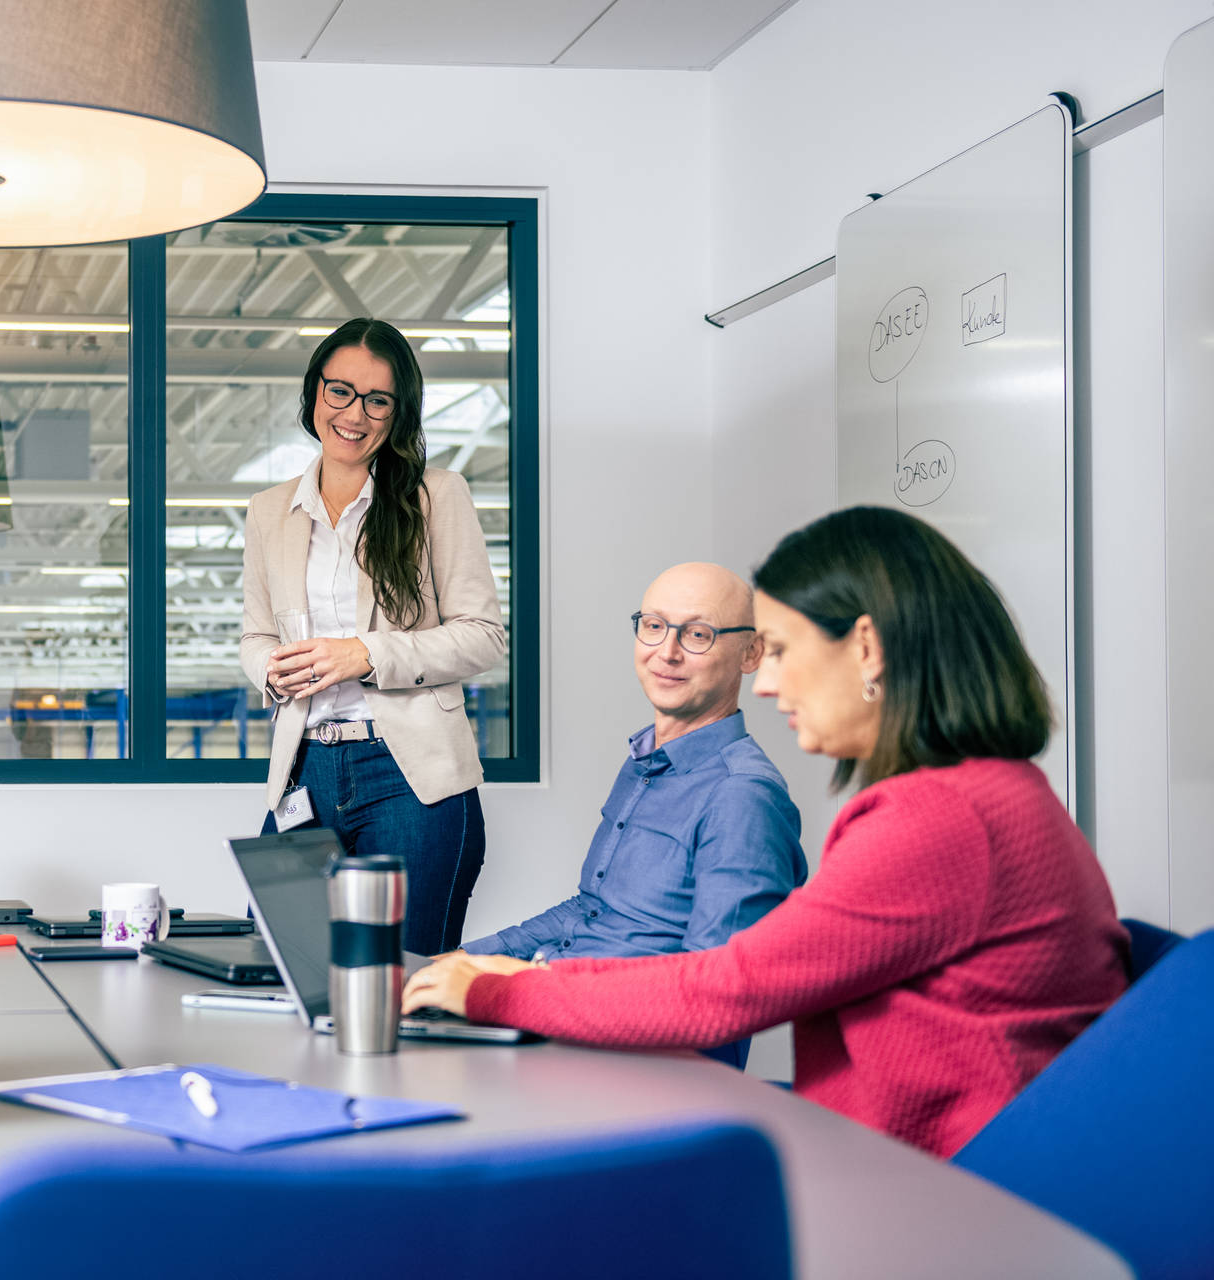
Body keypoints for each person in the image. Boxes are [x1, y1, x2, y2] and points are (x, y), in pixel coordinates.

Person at [406, 506, 1129, 1158]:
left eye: (779, 650)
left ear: (868, 650)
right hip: (914, 1159)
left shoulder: (939, 820)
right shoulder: (984, 794)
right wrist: (486, 973)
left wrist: (500, 992)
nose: (770, 683)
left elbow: (730, 987)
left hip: (949, 1192)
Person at [241, 318, 506, 954]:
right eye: (340, 391)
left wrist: (366, 655)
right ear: (314, 396)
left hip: (408, 776)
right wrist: (269, 671)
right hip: (305, 768)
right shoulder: (269, 510)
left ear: (398, 412)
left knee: (406, 983)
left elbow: (484, 637)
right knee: (284, 964)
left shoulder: (436, 496)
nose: (353, 414)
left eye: (377, 400)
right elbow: (255, 635)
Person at [457, 563, 804, 972]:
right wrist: (462, 961)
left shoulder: (743, 796)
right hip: (559, 1000)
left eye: (697, 634)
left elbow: (716, 993)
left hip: (612, 1030)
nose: (667, 652)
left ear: (752, 653)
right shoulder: (645, 760)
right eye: (654, 626)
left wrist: (526, 984)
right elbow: (588, 912)